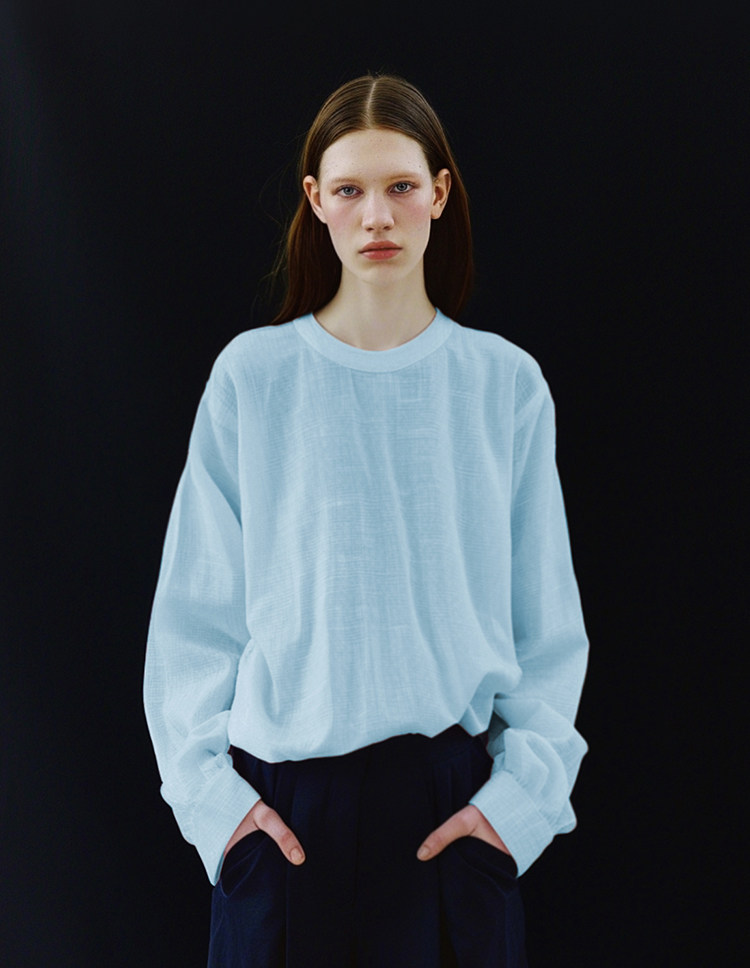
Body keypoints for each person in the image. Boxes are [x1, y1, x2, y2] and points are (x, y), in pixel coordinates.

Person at [143, 73, 589, 967]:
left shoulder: (502, 385)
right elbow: (192, 626)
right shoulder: (254, 378)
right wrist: (220, 813)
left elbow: (546, 631)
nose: (377, 216)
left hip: (448, 817)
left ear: (440, 193)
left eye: (400, 186)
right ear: (315, 200)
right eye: (349, 189)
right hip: (284, 827)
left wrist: (515, 812)